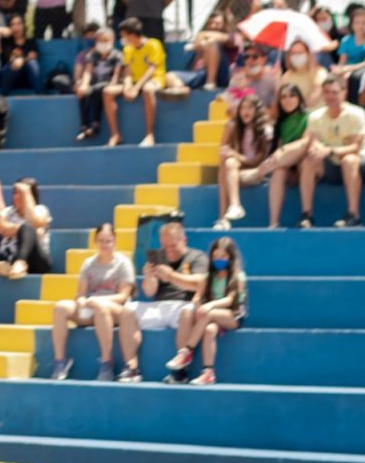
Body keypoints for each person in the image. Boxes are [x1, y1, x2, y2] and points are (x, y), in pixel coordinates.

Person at [116, 221, 208, 383]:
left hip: (183, 305)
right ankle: (131, 367)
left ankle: (181, 370)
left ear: (183, 240)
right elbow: (149, 291)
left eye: (173, 246)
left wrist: (172, 276)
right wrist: (149, 277)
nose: (169, 251)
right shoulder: (159, 258)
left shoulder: (197, 257)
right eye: (165, 246)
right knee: (127, 310)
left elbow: (199, 283)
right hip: (159, 305)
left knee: (188, 311)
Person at [50, 223, 136, 381]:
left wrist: (97, 300)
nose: (105, 245)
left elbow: (123, 296)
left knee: (101, 308)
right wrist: (82, 300)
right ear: (95, 242)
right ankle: (60, 362)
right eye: (101, 241)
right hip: (91, 309)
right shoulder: (88, 263)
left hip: (114, 310)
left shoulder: (123, 263)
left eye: (108, 241)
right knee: (60, 307)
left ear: (115, 242)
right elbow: (81, 293)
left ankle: (106, 363)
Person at [166, 237, 248, 386]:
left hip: (232, 315)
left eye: (223, 256)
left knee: (207, 313)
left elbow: (230, 300)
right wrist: (197, 305)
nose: (218, 260)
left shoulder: (238, 277)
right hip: (214, 318)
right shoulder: (208, 277)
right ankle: (208, 372)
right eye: (215, 256)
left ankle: (186, 352)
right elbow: (197, 297)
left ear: (231, 257)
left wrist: (209, 306)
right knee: (209, 329)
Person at [298, 76, 365, 228]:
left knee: (349, 160)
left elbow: (355, 147)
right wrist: (317, 149)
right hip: (332, 164)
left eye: (334, 92)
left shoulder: (356, 113)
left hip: (359, 165)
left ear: (344, 93)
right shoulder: (315, 116)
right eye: (326, 92)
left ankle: (353, 215)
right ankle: (307, 215)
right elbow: (314, 142)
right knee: (308, 161)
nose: (330, 96)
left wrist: (330, 150)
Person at [104, 17, 187, 148]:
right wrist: (127, 86)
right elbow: (128, 71)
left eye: (123, 35)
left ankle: (149, 134)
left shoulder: (154, 44)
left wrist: (136, 88)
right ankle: (115, 134)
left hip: (155, 80)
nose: (122, 38)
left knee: (148, 90)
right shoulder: (128, 49)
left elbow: (151, 69)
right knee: (107, 92)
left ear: (132, 34)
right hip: (135, 83)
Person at [239, 84, 312, 227]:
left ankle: (259, 172)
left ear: (299, 98)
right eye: (283, 97)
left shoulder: (309, 116)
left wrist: (284, 150)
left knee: (300, 146)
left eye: (292, 96)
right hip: (288, 166)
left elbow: (306, 142)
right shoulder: (281, 122)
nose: (287, 100)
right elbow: (278, 148)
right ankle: (274, 222)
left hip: (307, 166)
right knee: (278, 172)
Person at [214, 95, 272, 228]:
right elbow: (223, 149)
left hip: (257, 171)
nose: (246, 111)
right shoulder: (234, 127)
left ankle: (225, 215)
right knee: (226, 162)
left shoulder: (265, 129)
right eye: (243, 108)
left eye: (250, 107)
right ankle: (230, 211)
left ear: (257, 110)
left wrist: (236, 155)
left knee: (229, 162)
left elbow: (258, 160)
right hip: (235, 170)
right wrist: (228, 152)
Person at [0, 177, 53, 279]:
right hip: (8, 259)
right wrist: (25, 231)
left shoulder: (41, 209)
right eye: (16, 193)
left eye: (21, 193)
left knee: (27, 227)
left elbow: (34, 222)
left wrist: (26, 194)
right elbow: (1, 229)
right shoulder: (7, 212)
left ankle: (20, 262)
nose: (17, 197)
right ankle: (2, 267)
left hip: (35, 260)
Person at [76, 28, 124, 141]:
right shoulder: (92, 55)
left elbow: (117, 74)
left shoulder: (117, 55)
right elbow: (87, 71)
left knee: (96, 91)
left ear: (112, 41)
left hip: (109, 84)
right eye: (100, 41)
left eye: (105, 41)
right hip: (95, 84)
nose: (102, 44)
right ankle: (84, 126)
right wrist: (83, 84)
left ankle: (95, 124)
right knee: (83, 93)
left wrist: (112, 84)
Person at [178, 11, 240, 91]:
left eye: (217, 23)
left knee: (211, 43)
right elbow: (197, 44)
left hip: (222, 74)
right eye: (210, 23)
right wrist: (203, 39)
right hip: (201, 74)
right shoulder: (201, 35)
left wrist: (205, 37)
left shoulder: (233, 36)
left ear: (224, 25)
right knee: (170, 76)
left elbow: (228, 40)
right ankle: (182, 90)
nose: (213, 26)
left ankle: (210, 82)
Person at [333, 3, 365, 102]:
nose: (361, 26)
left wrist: (348, 69)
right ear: (352, 24)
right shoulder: (346, 40)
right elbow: (342, 61)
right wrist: (340, 69)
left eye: (364, 23)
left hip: (360, 69)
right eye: (357, 22)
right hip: (345, 69)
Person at [223, 42, 278, 115]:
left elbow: (274, 113)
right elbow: (228, 110)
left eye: (255, 57)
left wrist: (253, 113)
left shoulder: (270, 80)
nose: (250, 60)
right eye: (246, 57)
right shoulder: (237, 79)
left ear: (264, 59)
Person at [0, 13, 40, 94]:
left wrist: (22, 60)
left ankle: (41, 94)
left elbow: (33, 55)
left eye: (19, 24)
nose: (16, 27)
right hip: (8, 77)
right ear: (9, 27)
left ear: (23, 25)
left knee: (32, 63)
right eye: (12, 24)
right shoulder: (5, 42)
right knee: (11, 66)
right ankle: (2, 97)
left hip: (26, 78)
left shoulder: (30, 41)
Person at [281, 39, 328, 110]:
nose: (296, 56)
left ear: (308, 54)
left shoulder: (320, 72)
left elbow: (313, 98)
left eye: (300, 53)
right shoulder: (286, 76)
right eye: (293, 53)